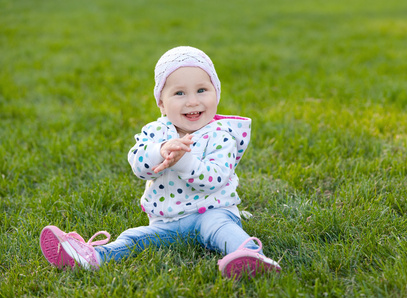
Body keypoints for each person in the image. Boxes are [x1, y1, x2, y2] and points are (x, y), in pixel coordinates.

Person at [39, 46, 281, 279]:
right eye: (179, 93)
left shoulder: (221, 134)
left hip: (213, 211)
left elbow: (215, 179)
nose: (192, 101)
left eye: (202, 90)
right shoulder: (156, 132)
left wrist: (184, 161)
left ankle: (249, 256)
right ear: (162, 104)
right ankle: (92, 256)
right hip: (168, 221)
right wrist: (159, 152)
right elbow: (138, 165)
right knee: (134, 237)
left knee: (222, 229)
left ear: (216, 93)